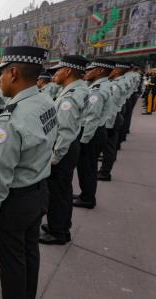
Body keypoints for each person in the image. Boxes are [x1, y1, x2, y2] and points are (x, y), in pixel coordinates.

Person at [0, 46, 57, 299]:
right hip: (39, 191)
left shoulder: (9, 119)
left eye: (1, 73)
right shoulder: (46, 100)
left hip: (14, 202)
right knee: (29, 253)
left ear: (13, 73)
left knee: (12, 264)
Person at [39, 55, 89, 245]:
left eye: (58, 70)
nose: (54, 75)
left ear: (68, 71)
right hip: (69, 146)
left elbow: (65, 132)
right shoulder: (76, 90)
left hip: (64, 148)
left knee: (58, 191)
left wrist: (55, 157)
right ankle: (60, 225)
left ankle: (58, 232)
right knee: (63, 190)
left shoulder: (69, 97)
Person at [73, 59, 114, 209]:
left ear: (100, 71)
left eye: (90, 69)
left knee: (87, 167)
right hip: (95, 131)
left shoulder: (97, 90)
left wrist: (84, 140)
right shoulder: (99, 86)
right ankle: (85, 194)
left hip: (92, 132)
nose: (87, 72)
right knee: (87, 167)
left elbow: (92, 118)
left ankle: (87, 199)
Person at [97, 62, 131, 181]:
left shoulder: (115, 85)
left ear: (116, 71)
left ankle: (105, 173)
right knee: (110, 146)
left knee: (109, 147)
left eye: (112, 70)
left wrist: (109, 125)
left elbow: (111, 107)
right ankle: (105, 170)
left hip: (112, 117)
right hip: (115, 115)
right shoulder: (115, 83)